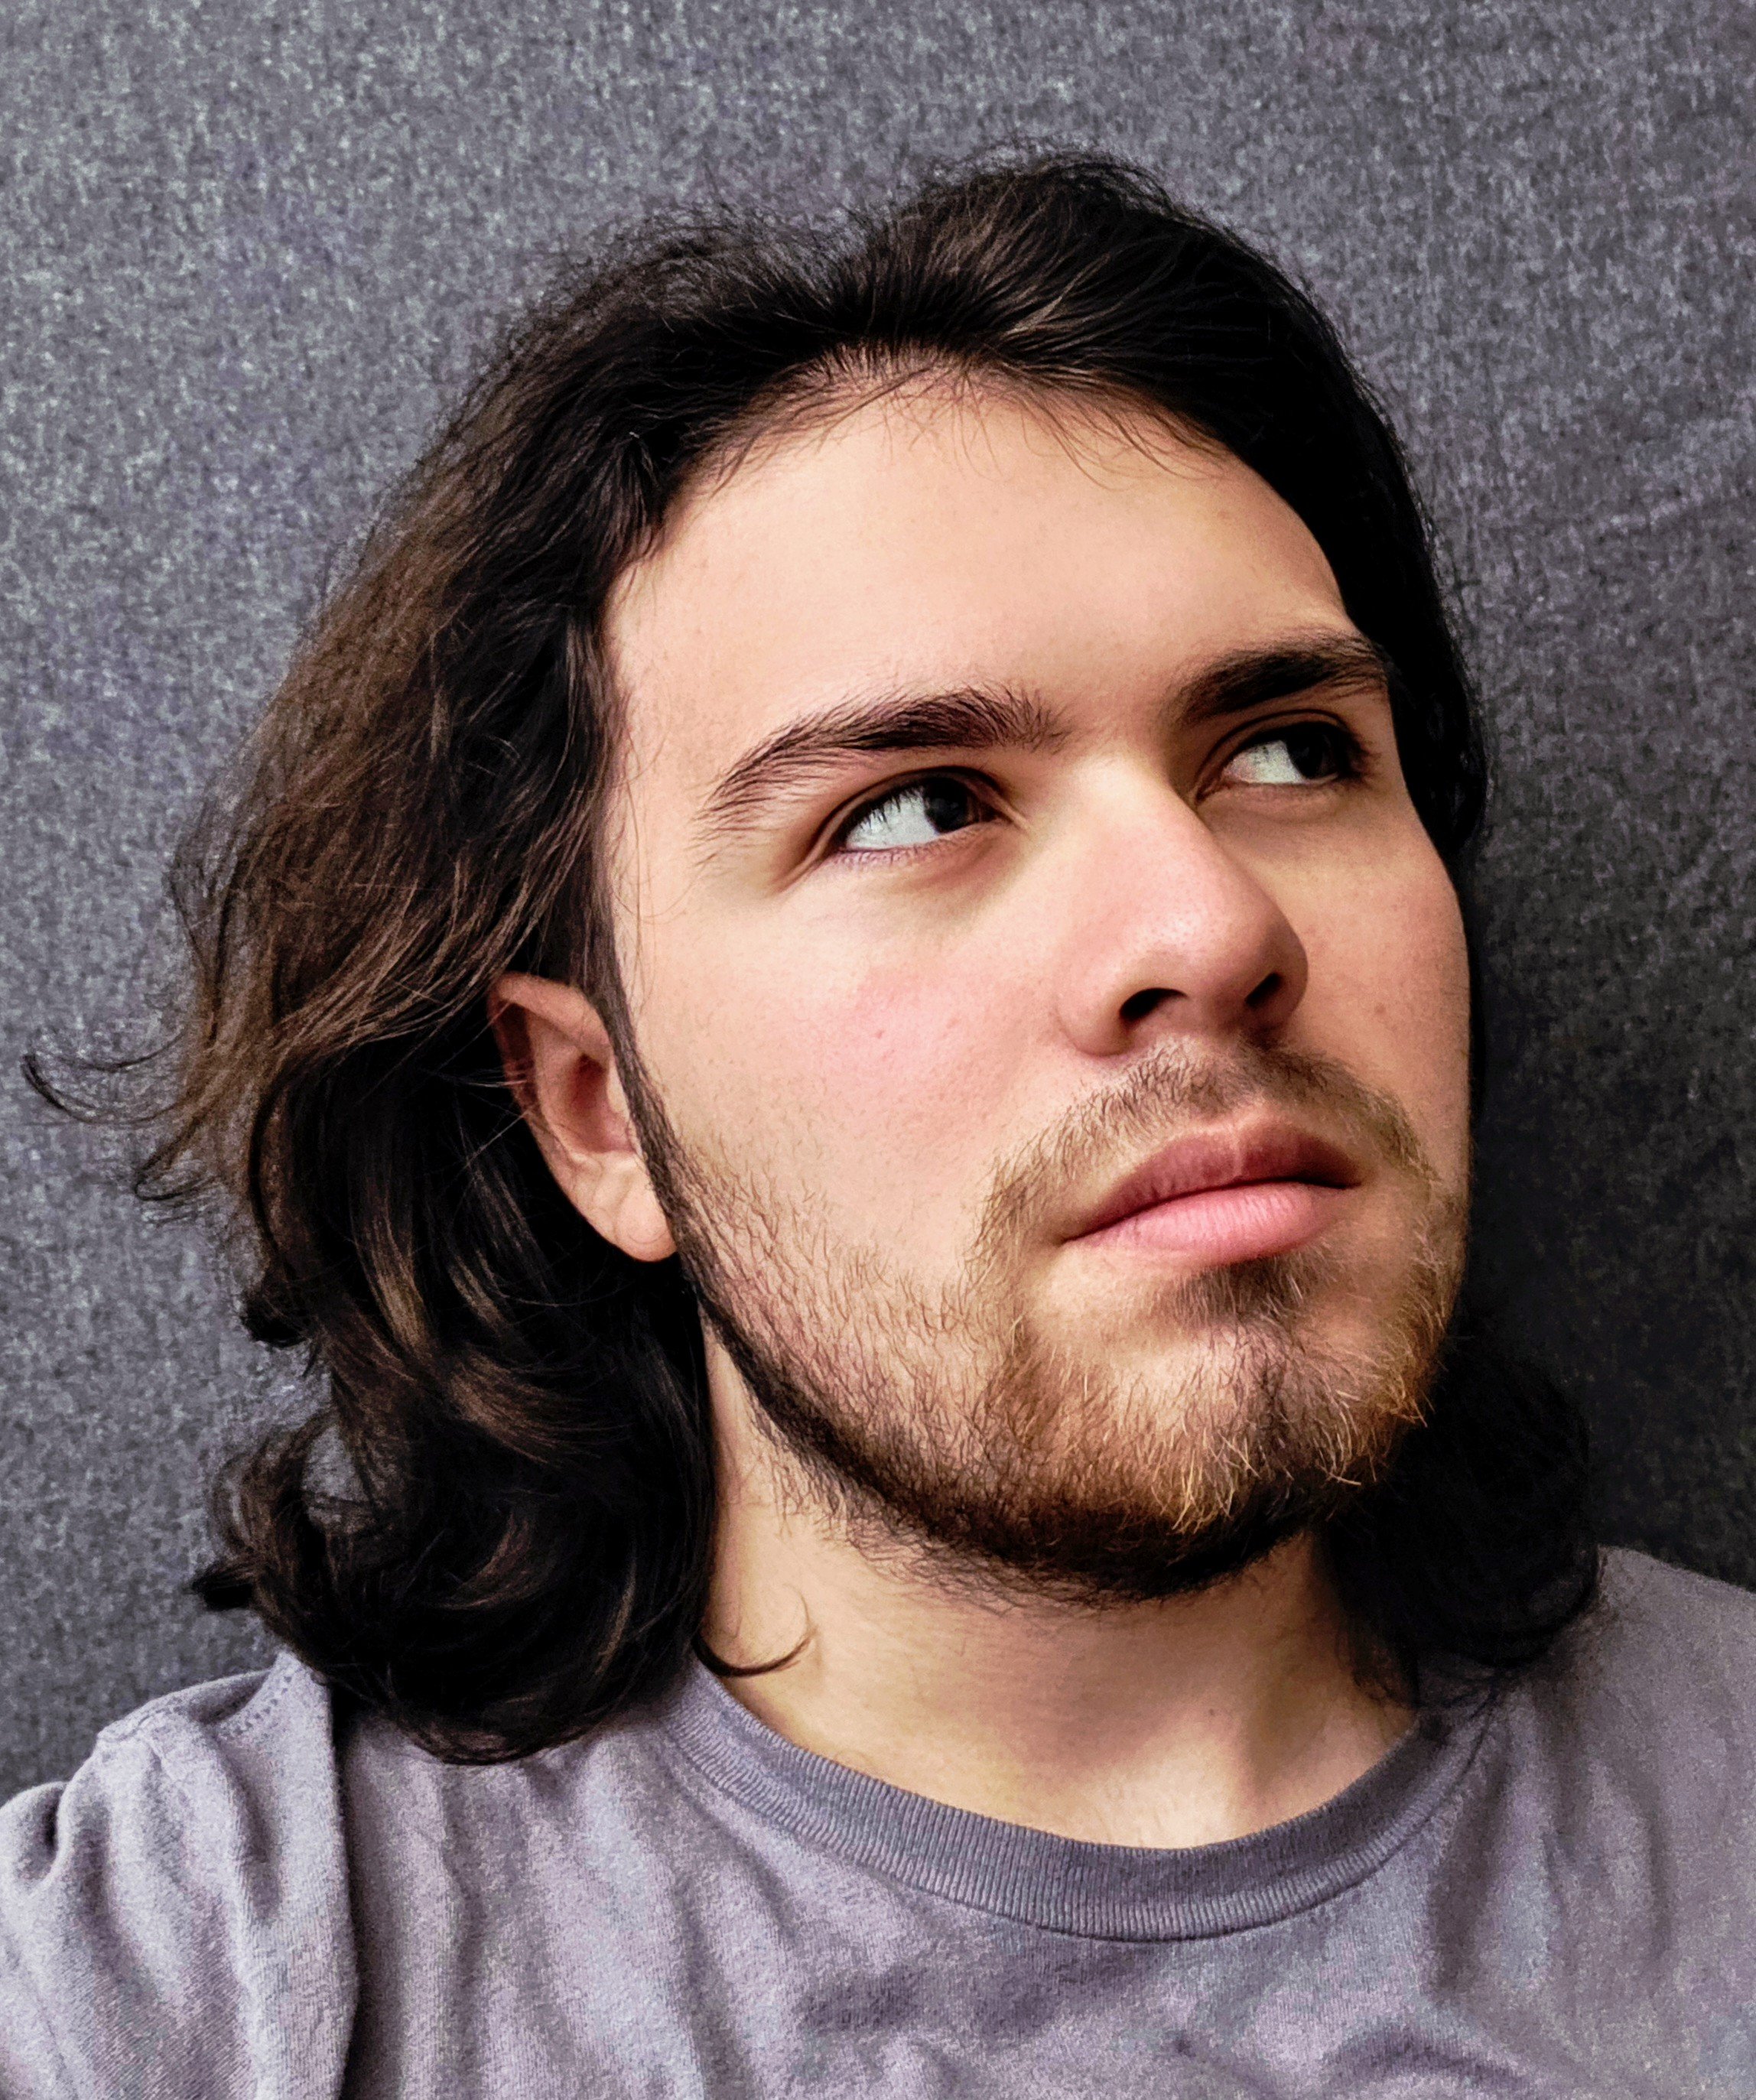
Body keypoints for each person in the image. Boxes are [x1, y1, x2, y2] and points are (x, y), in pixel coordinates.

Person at [3, 154, 1751, 2098]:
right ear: (599, 1116)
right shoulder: (184, 1980)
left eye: (1288, 750)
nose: (1208, 924)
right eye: (917, 805)